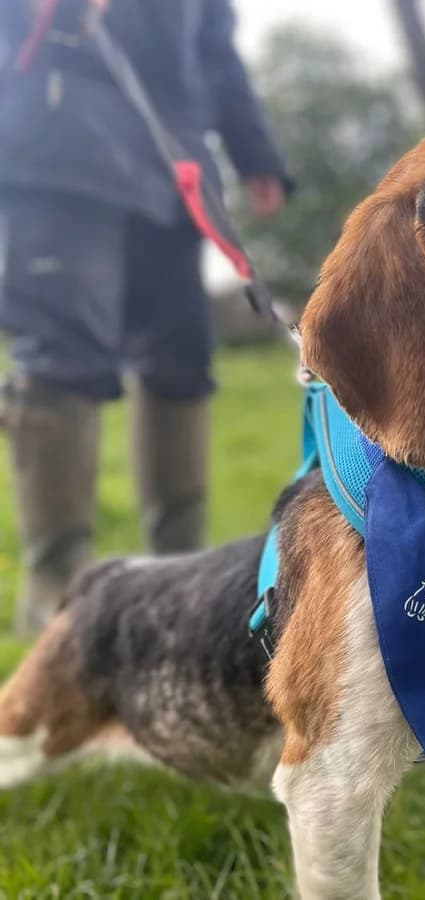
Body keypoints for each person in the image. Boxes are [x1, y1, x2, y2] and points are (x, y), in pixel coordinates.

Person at [0, 0, 291, 634]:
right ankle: (59, 603)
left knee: (182, 361)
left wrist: (255, 152)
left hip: (170, 156)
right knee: (64, 356)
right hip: (58, 133)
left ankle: (177, 586)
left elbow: (214, 49)